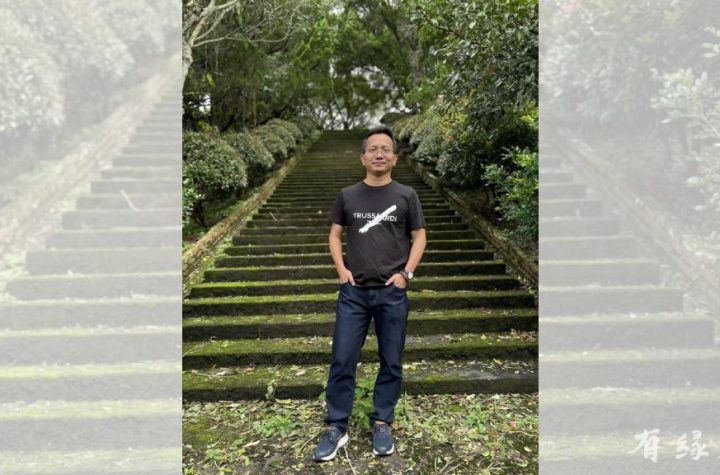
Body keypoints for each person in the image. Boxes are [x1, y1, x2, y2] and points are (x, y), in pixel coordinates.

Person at [313, 126, 427, 461]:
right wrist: (341, 269)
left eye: (386, 149)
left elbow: (419, 236)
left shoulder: (406, 195)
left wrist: (407, 273)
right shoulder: (348, 195)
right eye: (373, 149)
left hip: (392, 293)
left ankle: (382, 422)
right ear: (363, 157)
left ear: (395, 158)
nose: (380, 154)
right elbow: (335, 234)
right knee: (342, 358)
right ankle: (337, 426)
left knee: (391, 360)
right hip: (355, 293)